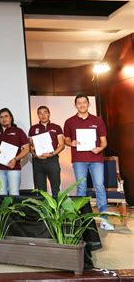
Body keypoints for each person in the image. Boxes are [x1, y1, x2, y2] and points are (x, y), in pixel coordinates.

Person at [63, 94, 113, 231]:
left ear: (88, 104)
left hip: (96, 159)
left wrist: (100, 148)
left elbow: (104, 142)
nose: (82, 105)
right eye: (79, 103)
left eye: (84, 102)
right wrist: (71, 142)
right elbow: (66, 140)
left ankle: (104, 220)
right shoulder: (69, 121)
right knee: (81, 188)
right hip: (79, 160)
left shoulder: (97, 120)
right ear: (75, 105)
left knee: (100, 187)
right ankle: (82, 220)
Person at [0, 108, 29, 195]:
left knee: (14, 193)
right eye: (1, 117)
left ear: (11, 118)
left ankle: (13, 210)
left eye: (6, 116)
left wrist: (15, 159)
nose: (4, 119)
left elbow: (26, 149)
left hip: (13, 168)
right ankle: (3, 210)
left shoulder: (18, 131)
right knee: (0, 194)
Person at [28, 106, 65, 195]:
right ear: (37, 115)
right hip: (38, 162)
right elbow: (29, 146)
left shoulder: (56, 127)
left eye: (45, 112)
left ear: (49, 114)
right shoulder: (33, 128)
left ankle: (56, 209)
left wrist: (52, 154)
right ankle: (43, 209)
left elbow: (62, 145)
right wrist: (35, 154)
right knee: (41, 191)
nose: (43, 115)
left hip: (52, 161)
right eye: (40, 113)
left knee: (55, 189)